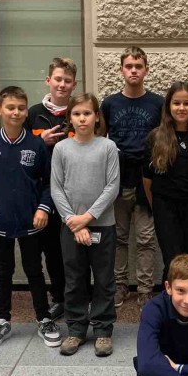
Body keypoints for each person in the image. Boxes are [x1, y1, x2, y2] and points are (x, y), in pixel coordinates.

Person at [0, 86, 60, 350]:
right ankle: (2, 320)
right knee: (3, 271)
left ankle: (44, 318)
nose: (16, 112)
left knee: (34, 271)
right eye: (10, 107)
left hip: (31, 221)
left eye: (21, 108)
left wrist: (44, 208)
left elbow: (49, 182)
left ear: (26, 111)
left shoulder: (36, 144)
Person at [51, 93, 120, 357]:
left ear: (96, 117)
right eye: (77, 113)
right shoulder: (61, 149)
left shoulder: (107, 147)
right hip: (71, 227)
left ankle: (103, 330)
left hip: (103, 225)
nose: (82, 118)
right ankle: (76, 329)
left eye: (87, 113)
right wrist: (74, 223)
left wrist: (87, 218)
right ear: (70, 118)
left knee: (104, 279)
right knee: (74, 279)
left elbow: (112, 187)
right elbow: (57, 188)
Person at [100, 46, 165, 307]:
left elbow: (164, 139)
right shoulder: (110, 103)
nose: (134, 71)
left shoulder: (158, 103)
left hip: (146, 179)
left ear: (146, 70)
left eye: (138, 66)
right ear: (121, 70)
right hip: (118, 177)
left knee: (146, 238)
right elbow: (101, 138)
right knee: (119, 237)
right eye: (129, 66)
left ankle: (145, 288)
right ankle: (120, 285)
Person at [24, 57, 79, 321]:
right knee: (50, 249)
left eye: (67, 81)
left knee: (76, 249)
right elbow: (18, 149)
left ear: (74, 84)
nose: (62, 84)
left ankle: (78, 297)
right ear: (48, 81)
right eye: (58, 79)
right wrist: (39, 141)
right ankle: (58, 297)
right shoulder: (33, 113)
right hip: (41, 194)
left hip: (75, 192)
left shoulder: (80, 111)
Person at [142, 81, 188, 284]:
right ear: (168, 106)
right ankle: (171, 299)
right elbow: (147, 179)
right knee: (172, 258)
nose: (181, 108)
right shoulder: (156, 137)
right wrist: (157, 207)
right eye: (176, 103)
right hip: (165, 207)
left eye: (187, 103)